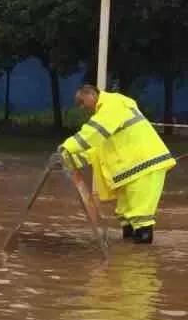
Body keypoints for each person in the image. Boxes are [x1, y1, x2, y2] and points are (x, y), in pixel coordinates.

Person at [59, 85, 176, 244]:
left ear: (92, 95)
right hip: (134, 169)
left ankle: (141, 262)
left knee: (141, 217)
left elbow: (93, 132)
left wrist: (67, 146)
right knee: (125, 216)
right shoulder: (108, 114)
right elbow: (97, 149)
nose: (84, 108)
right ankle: (128, 260)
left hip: (144, 166)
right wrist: (70, 159)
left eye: (83, 102)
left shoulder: (113, 103)